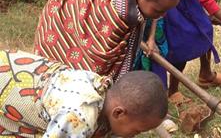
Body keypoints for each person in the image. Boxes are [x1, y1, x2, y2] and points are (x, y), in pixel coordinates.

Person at [34, 0, 180, 81]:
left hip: (67, 14)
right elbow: (98, 67)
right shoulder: (114, 18)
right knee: (77, 81)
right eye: (158, 11)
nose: (162, 15)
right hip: (59, 16)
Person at [0, 49, 168, 137]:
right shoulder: (79, 117)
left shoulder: (104, 91)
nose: (134, 136)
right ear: (119, 112)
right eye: (137, 131)